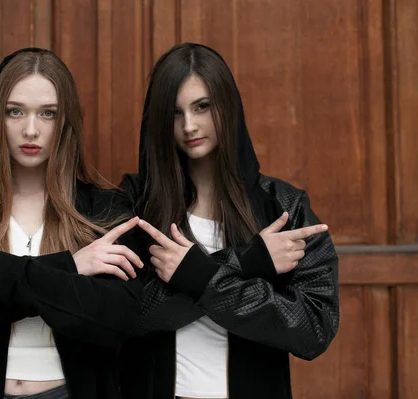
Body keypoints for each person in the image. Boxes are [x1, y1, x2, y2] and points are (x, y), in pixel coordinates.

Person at [0, 47, 146, 399]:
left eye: (47, 114)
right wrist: (70, 268)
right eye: (15, 112)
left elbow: (115, 321)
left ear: (65, 122)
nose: (30, 129)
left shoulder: (105, 213)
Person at [119, 43, 339, 399]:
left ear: (227, 105)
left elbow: (313, 329)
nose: (190, 125)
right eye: (175, 113)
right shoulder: (134, 203)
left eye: (202, 107)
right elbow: (124, 319)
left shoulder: (282, 208)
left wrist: (204, 277)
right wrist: (248, 261)